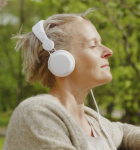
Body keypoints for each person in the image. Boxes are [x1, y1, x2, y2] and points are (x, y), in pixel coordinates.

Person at [3, 9, 140, 150]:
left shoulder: (92, 121)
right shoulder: (36, 113)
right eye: (93, 45)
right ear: (61, 60)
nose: (108, 51)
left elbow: (123, 132)